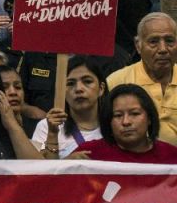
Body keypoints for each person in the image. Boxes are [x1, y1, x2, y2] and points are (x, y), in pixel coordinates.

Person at [106, 12, 176, 145]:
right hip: (133, 163)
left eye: (169, 41)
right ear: (138, 45)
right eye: (154, 42)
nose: (163, 49)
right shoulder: (116, 82)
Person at [69, 84, 177, 163]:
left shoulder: (171, 156)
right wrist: (65, 164)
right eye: (118, 115)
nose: (126, 122)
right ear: (108, 121)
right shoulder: (90, 153)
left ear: (149, 118)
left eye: (134, 114)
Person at [31, 57, 105, 159]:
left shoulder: (115, 126)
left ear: (101, 88)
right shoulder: (44, 127)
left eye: (87, 81)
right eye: (70, 83)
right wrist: (67, 164)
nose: (79, 89)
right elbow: (37, 171)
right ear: (62, 91)